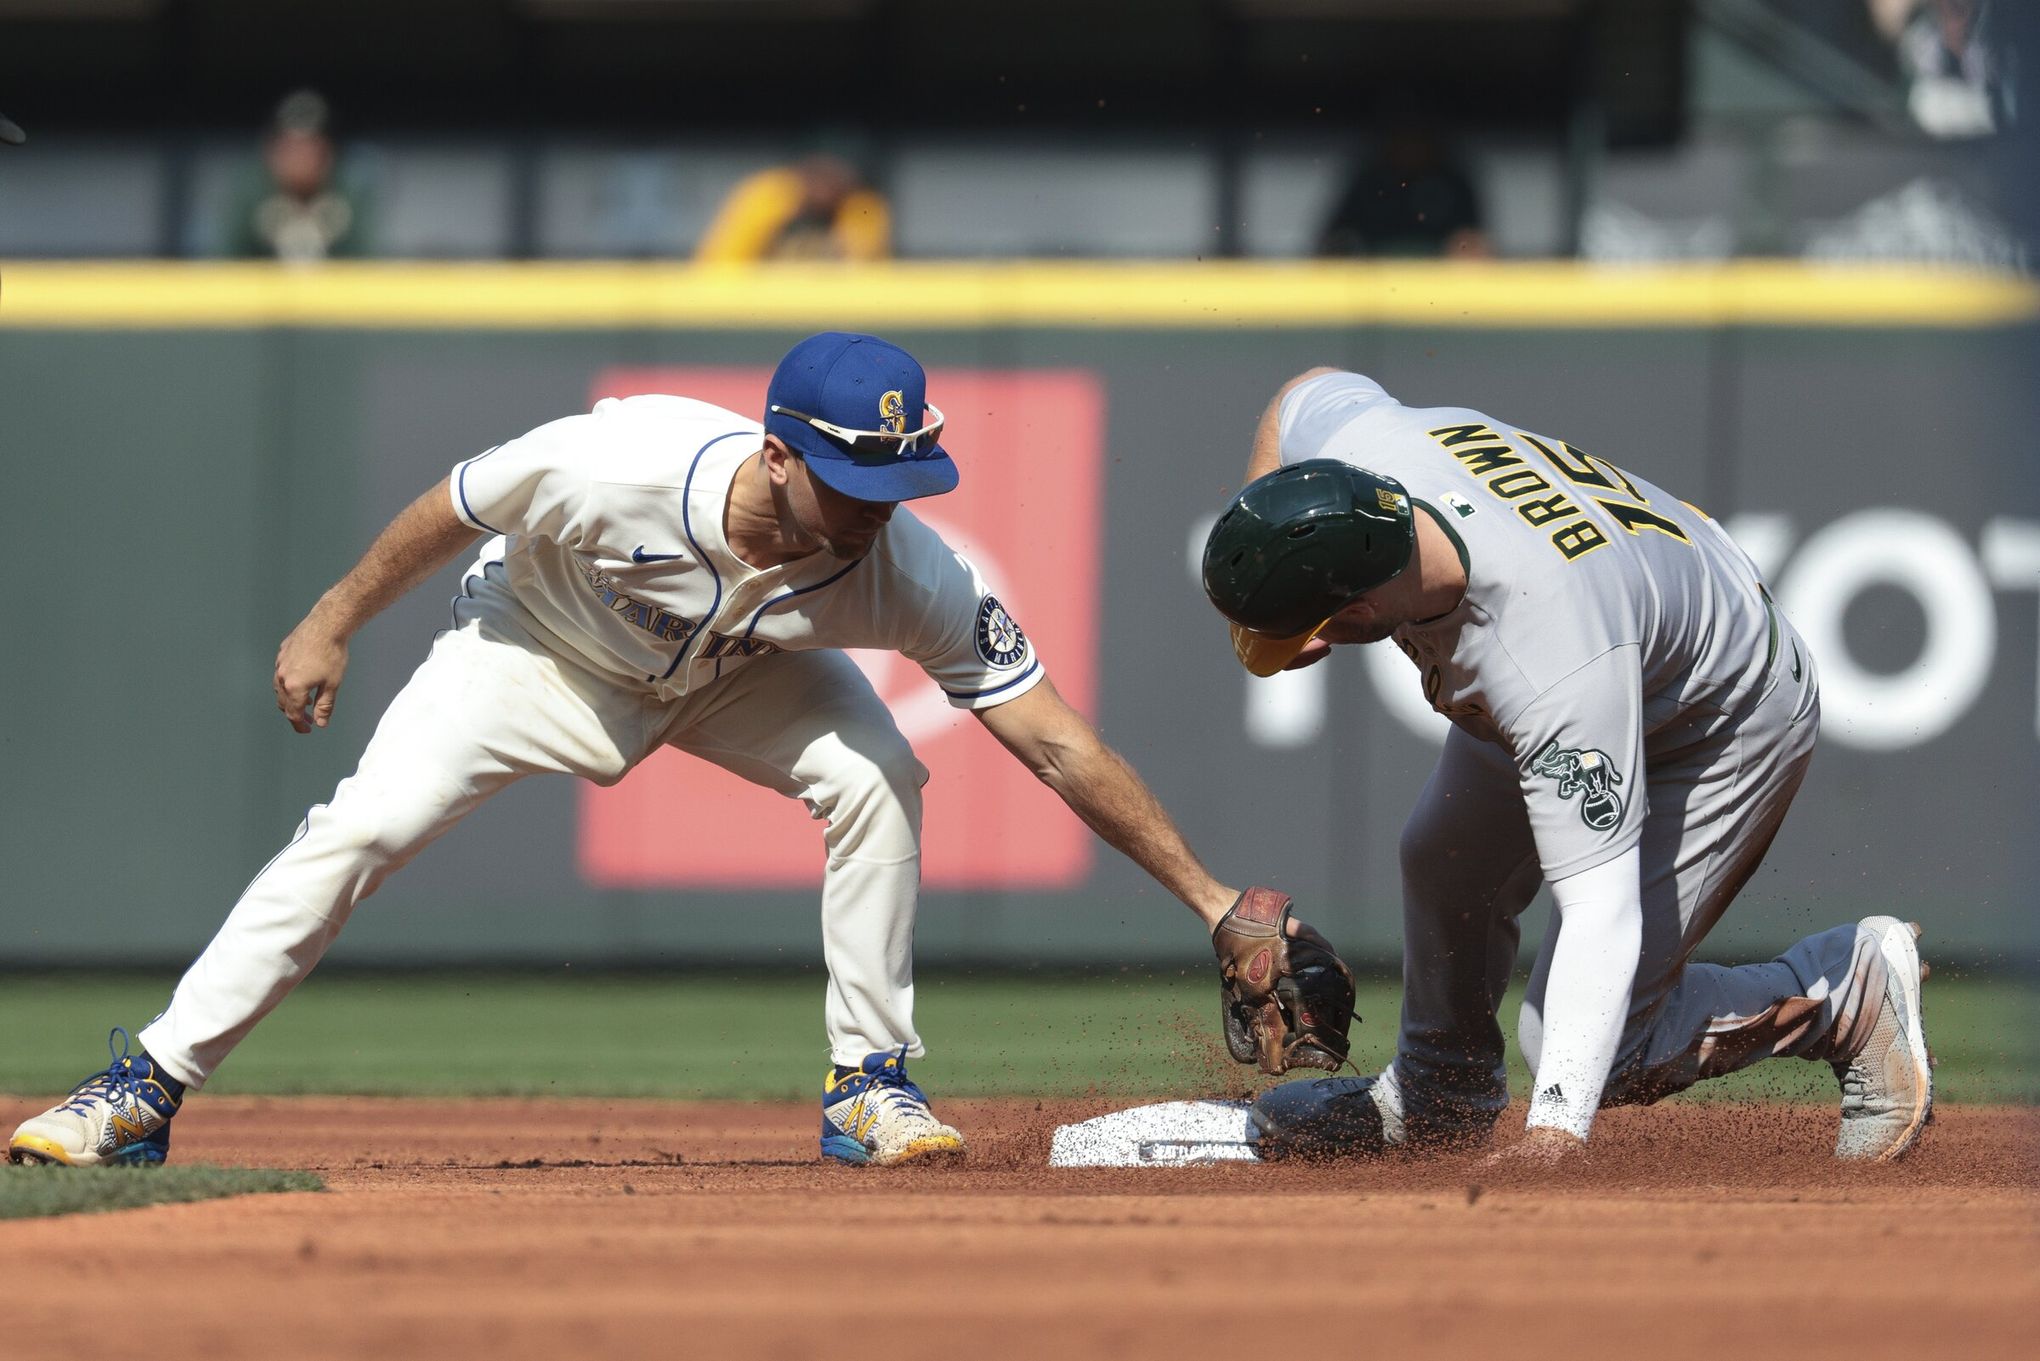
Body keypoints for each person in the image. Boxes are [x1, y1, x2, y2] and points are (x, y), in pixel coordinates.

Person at [8, 333, 1333, 1171]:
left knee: (879, 774)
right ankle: (139, 1088)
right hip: (534, 648)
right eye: (853, 485)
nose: (876, 515)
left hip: (729, 680)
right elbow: (450, 507)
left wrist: (1213, 900)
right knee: (362, 829)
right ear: (776, 453)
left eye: (898, 487)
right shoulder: (617, 460)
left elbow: (1051, 739)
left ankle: (868, 1085)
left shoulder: (902, 568)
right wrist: (330, 618)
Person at [1200, 368, 1933, 1164]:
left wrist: (1552, 1135)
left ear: (1358, 607)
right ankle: (1438, 1097)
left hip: (1718, 709)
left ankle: (1846, 987)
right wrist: (1266, 510)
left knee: (1587, 1045)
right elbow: (1304, 391)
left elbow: (1600, 910)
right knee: (1442, 859)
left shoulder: (1544, 654)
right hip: (1644, 603)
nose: (1304, 649)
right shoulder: (1359, 449)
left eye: (1309, 629)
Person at [221, 90, 372, 262]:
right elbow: (228, 260)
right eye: (291, 149)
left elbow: (365, 262)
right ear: (272, 152)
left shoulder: (350, 191)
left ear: (328, 153)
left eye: (310, 149)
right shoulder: (251, 187)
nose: (300, 158)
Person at [695, 154, 890, 263]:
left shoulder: (859, 206)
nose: (824, 189)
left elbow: (868, 270)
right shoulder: (771, 194)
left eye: (834, 179)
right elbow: (720, 264)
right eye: (818, 177)